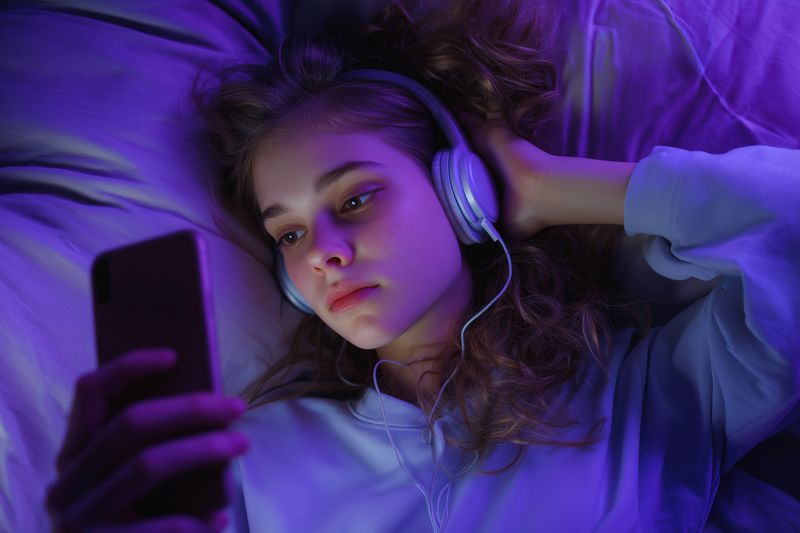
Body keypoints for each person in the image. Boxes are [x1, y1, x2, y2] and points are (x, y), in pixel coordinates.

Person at [45, 1, 800, 531]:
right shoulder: (249, 459)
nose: (323, 253)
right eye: (289, 235)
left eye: (356, 198)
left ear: (458, 191)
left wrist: (541, 184)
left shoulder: (652, 397)